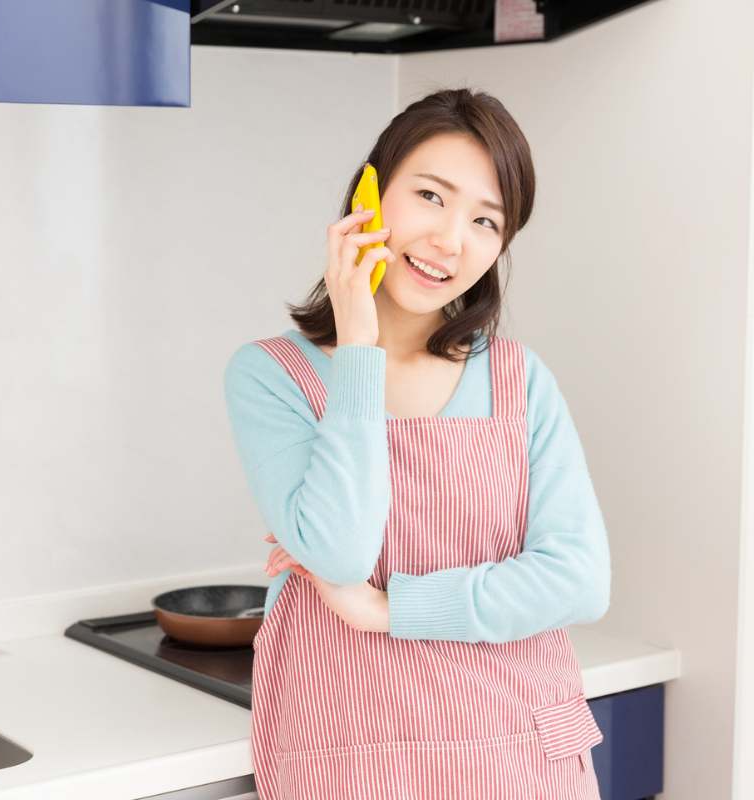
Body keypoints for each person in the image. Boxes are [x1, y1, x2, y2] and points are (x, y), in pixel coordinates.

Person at [222, 88, 612, 799]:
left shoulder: (516, 380)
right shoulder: (270, 376)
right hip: (353, 764)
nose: (451, 241)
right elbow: (340, 550)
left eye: (486, 221)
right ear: (369, 195)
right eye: (431, 196)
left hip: (522, 762)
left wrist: (386, 609)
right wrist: (360, 349)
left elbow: (579, 580)